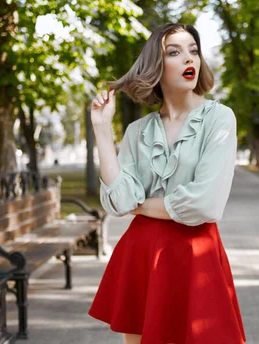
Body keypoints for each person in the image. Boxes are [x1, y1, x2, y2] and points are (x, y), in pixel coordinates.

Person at [88, 23, 246, 344]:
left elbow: (206, 204)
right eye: (175, 52)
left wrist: (142, 205)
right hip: (141, 254)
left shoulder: (219, 118)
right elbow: (119, 201)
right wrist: (102, 132)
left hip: (195, 252)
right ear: (155, 67)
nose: (189, 59)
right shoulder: (137, 131)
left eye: (194, 50)